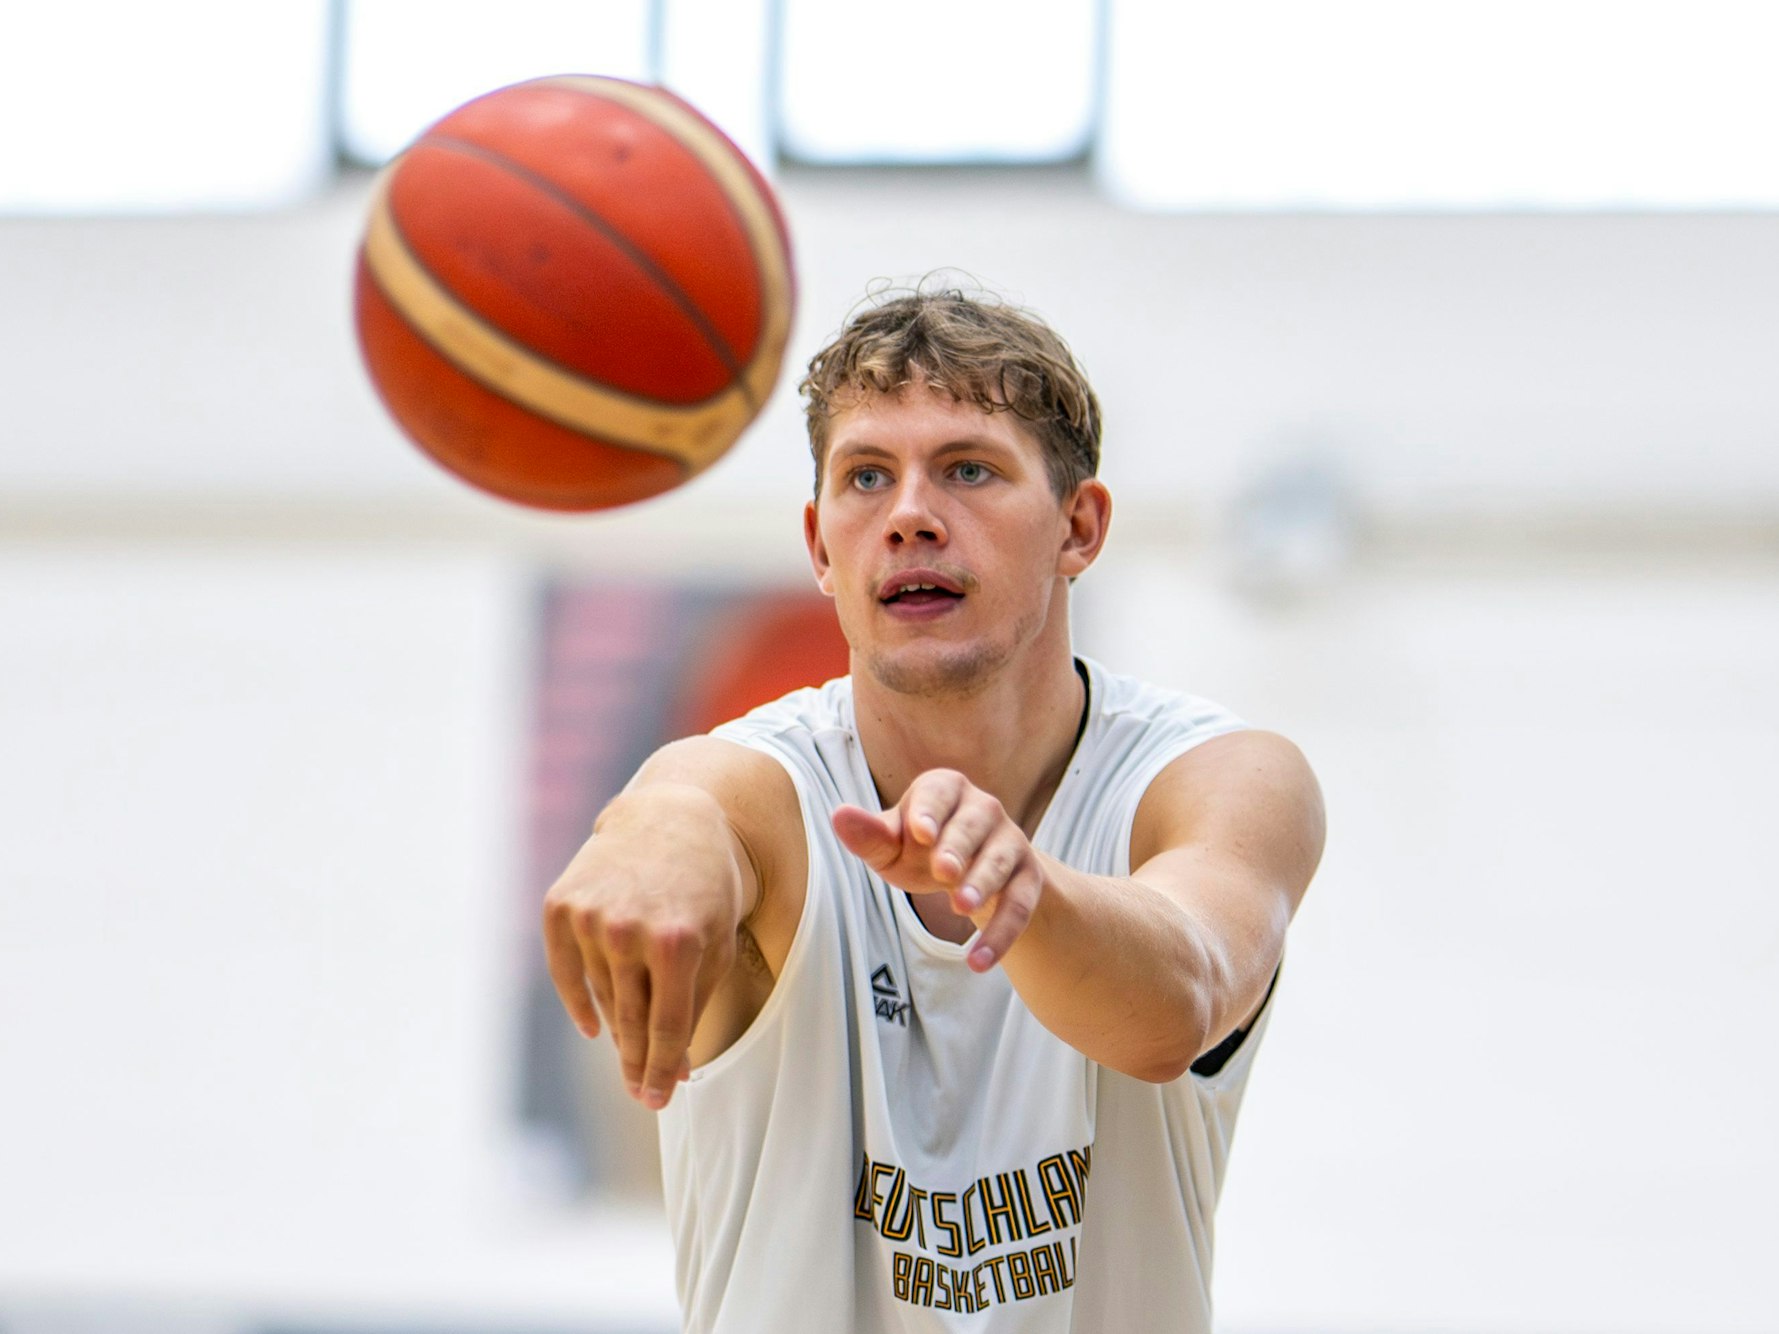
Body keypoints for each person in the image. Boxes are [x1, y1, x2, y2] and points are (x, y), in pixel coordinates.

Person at [542, 288, 1325, 1332]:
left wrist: (1027, 887)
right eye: (868, 476)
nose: (909, 512)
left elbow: (1175, 1001)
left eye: (968, 468)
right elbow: (690, 802)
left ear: (1079, 527)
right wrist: (642, 838)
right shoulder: (765, 783)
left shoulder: (1213, 778)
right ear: (822, 548)